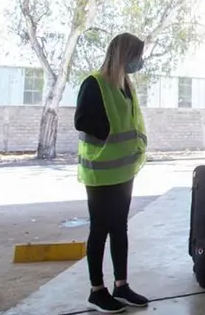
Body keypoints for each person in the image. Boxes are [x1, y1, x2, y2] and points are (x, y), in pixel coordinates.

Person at [74, 33, 149, 314]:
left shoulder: (125, 85)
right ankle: (96, 290)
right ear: (124, 55)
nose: (139, 62)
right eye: (136, 57)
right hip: (101, 170)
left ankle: (122, 285)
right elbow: (81, 120)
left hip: (123, 170)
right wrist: (106, 131)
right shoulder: (95, 83)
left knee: (120, 228)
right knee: (100, 229)